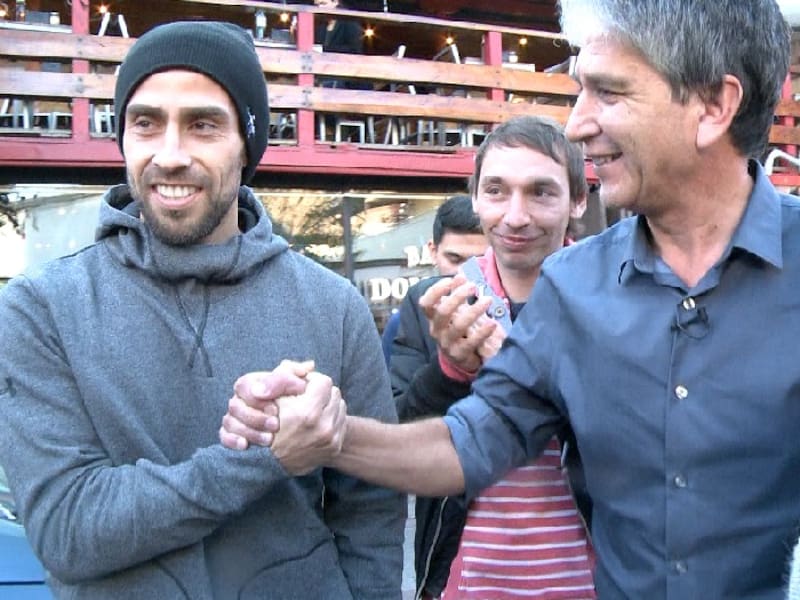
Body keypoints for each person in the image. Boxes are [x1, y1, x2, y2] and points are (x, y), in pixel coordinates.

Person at [220, 0, 800, 598]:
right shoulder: (572, 284)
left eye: (609, 92)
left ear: (714, 105)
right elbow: (475, 439)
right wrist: (330, 432)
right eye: (580, 91)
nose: (577, 125)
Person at [0, 21, 404, 599]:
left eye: (203, 125)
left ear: (247, 143)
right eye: (146, 123)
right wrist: (265, 456)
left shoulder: (333, 305)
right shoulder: (41, 308)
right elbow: (67, 531)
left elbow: (372, 512)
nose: (170, 155)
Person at [390, 117, 594, 599]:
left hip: (595, 581)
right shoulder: (436, 302)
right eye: (497, 191)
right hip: (464, 581)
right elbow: (397, 433)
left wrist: (524, 375)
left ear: (578, 200)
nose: (516, 217)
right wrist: (450, 373)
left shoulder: (613, 297)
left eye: (541, 192)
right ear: (476, 198)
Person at [381, 193, 486, 365]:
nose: (463, 274)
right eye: (455, 259)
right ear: (433, 251)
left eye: (479, 263)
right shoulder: (406, 322)